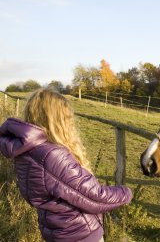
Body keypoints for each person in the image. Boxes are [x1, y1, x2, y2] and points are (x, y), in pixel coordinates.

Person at [0, 88, 133, 242]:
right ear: (57, 120)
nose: (70, 123)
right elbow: (94, 197)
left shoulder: (26, 151)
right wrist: (125, 193)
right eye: (67, 118)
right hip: (80, 234)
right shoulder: (51, 156)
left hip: (55, 231)